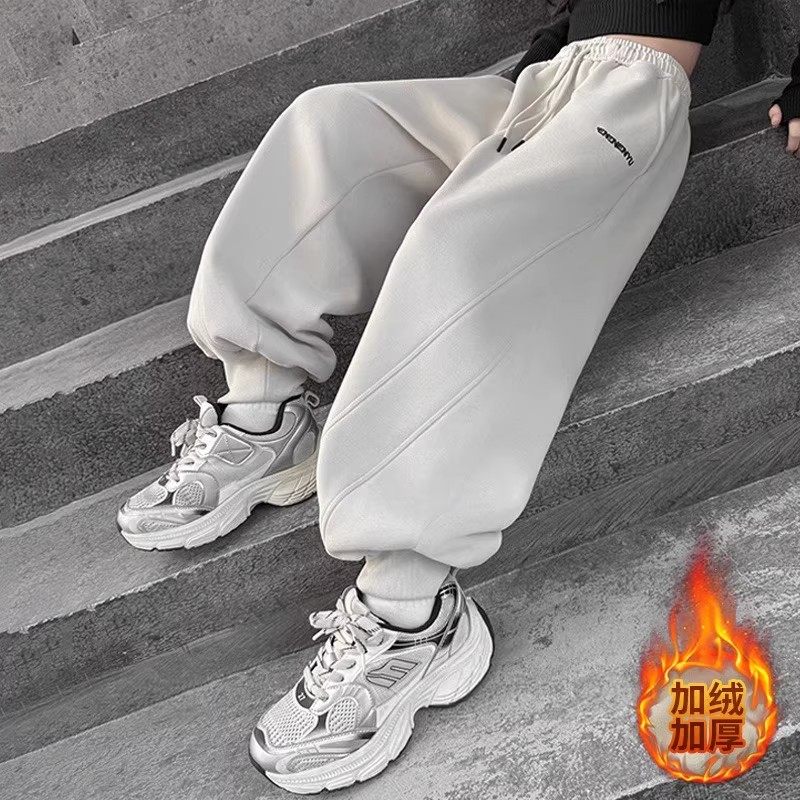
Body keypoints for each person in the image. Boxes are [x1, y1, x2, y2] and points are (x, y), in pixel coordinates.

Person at [117, 0, 800, 792]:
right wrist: (539, 66)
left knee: (459, 243)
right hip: (543, 86)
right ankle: (266, 403)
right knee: (324, 124)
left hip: (630, 96)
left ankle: (412, 611)